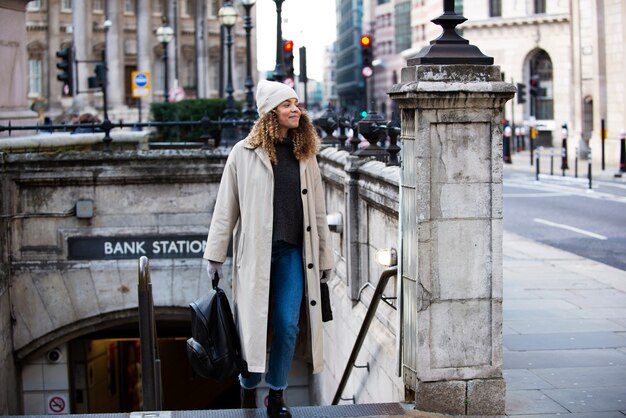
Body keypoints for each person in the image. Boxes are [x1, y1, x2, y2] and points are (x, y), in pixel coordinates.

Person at [203, 79, 334, 418]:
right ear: (270, 112)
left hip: (292, 253)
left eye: (297, 104)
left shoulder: (306, 155)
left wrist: (324, 258)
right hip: (256, 256)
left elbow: (318, 211)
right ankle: (248, 390)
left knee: (287, 324)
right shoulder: (242, 154)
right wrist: (215, 255)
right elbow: (225, 208)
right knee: (252, 326)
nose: (296, 109)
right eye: (288, 104)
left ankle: (276, 395)